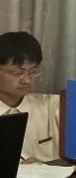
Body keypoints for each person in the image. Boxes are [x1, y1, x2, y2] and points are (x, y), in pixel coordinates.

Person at [0, 31, 61, 164]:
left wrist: (45, 167)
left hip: (51, 177)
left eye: (33, 72)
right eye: (18, 73)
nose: (27, 80)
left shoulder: (53, 106)